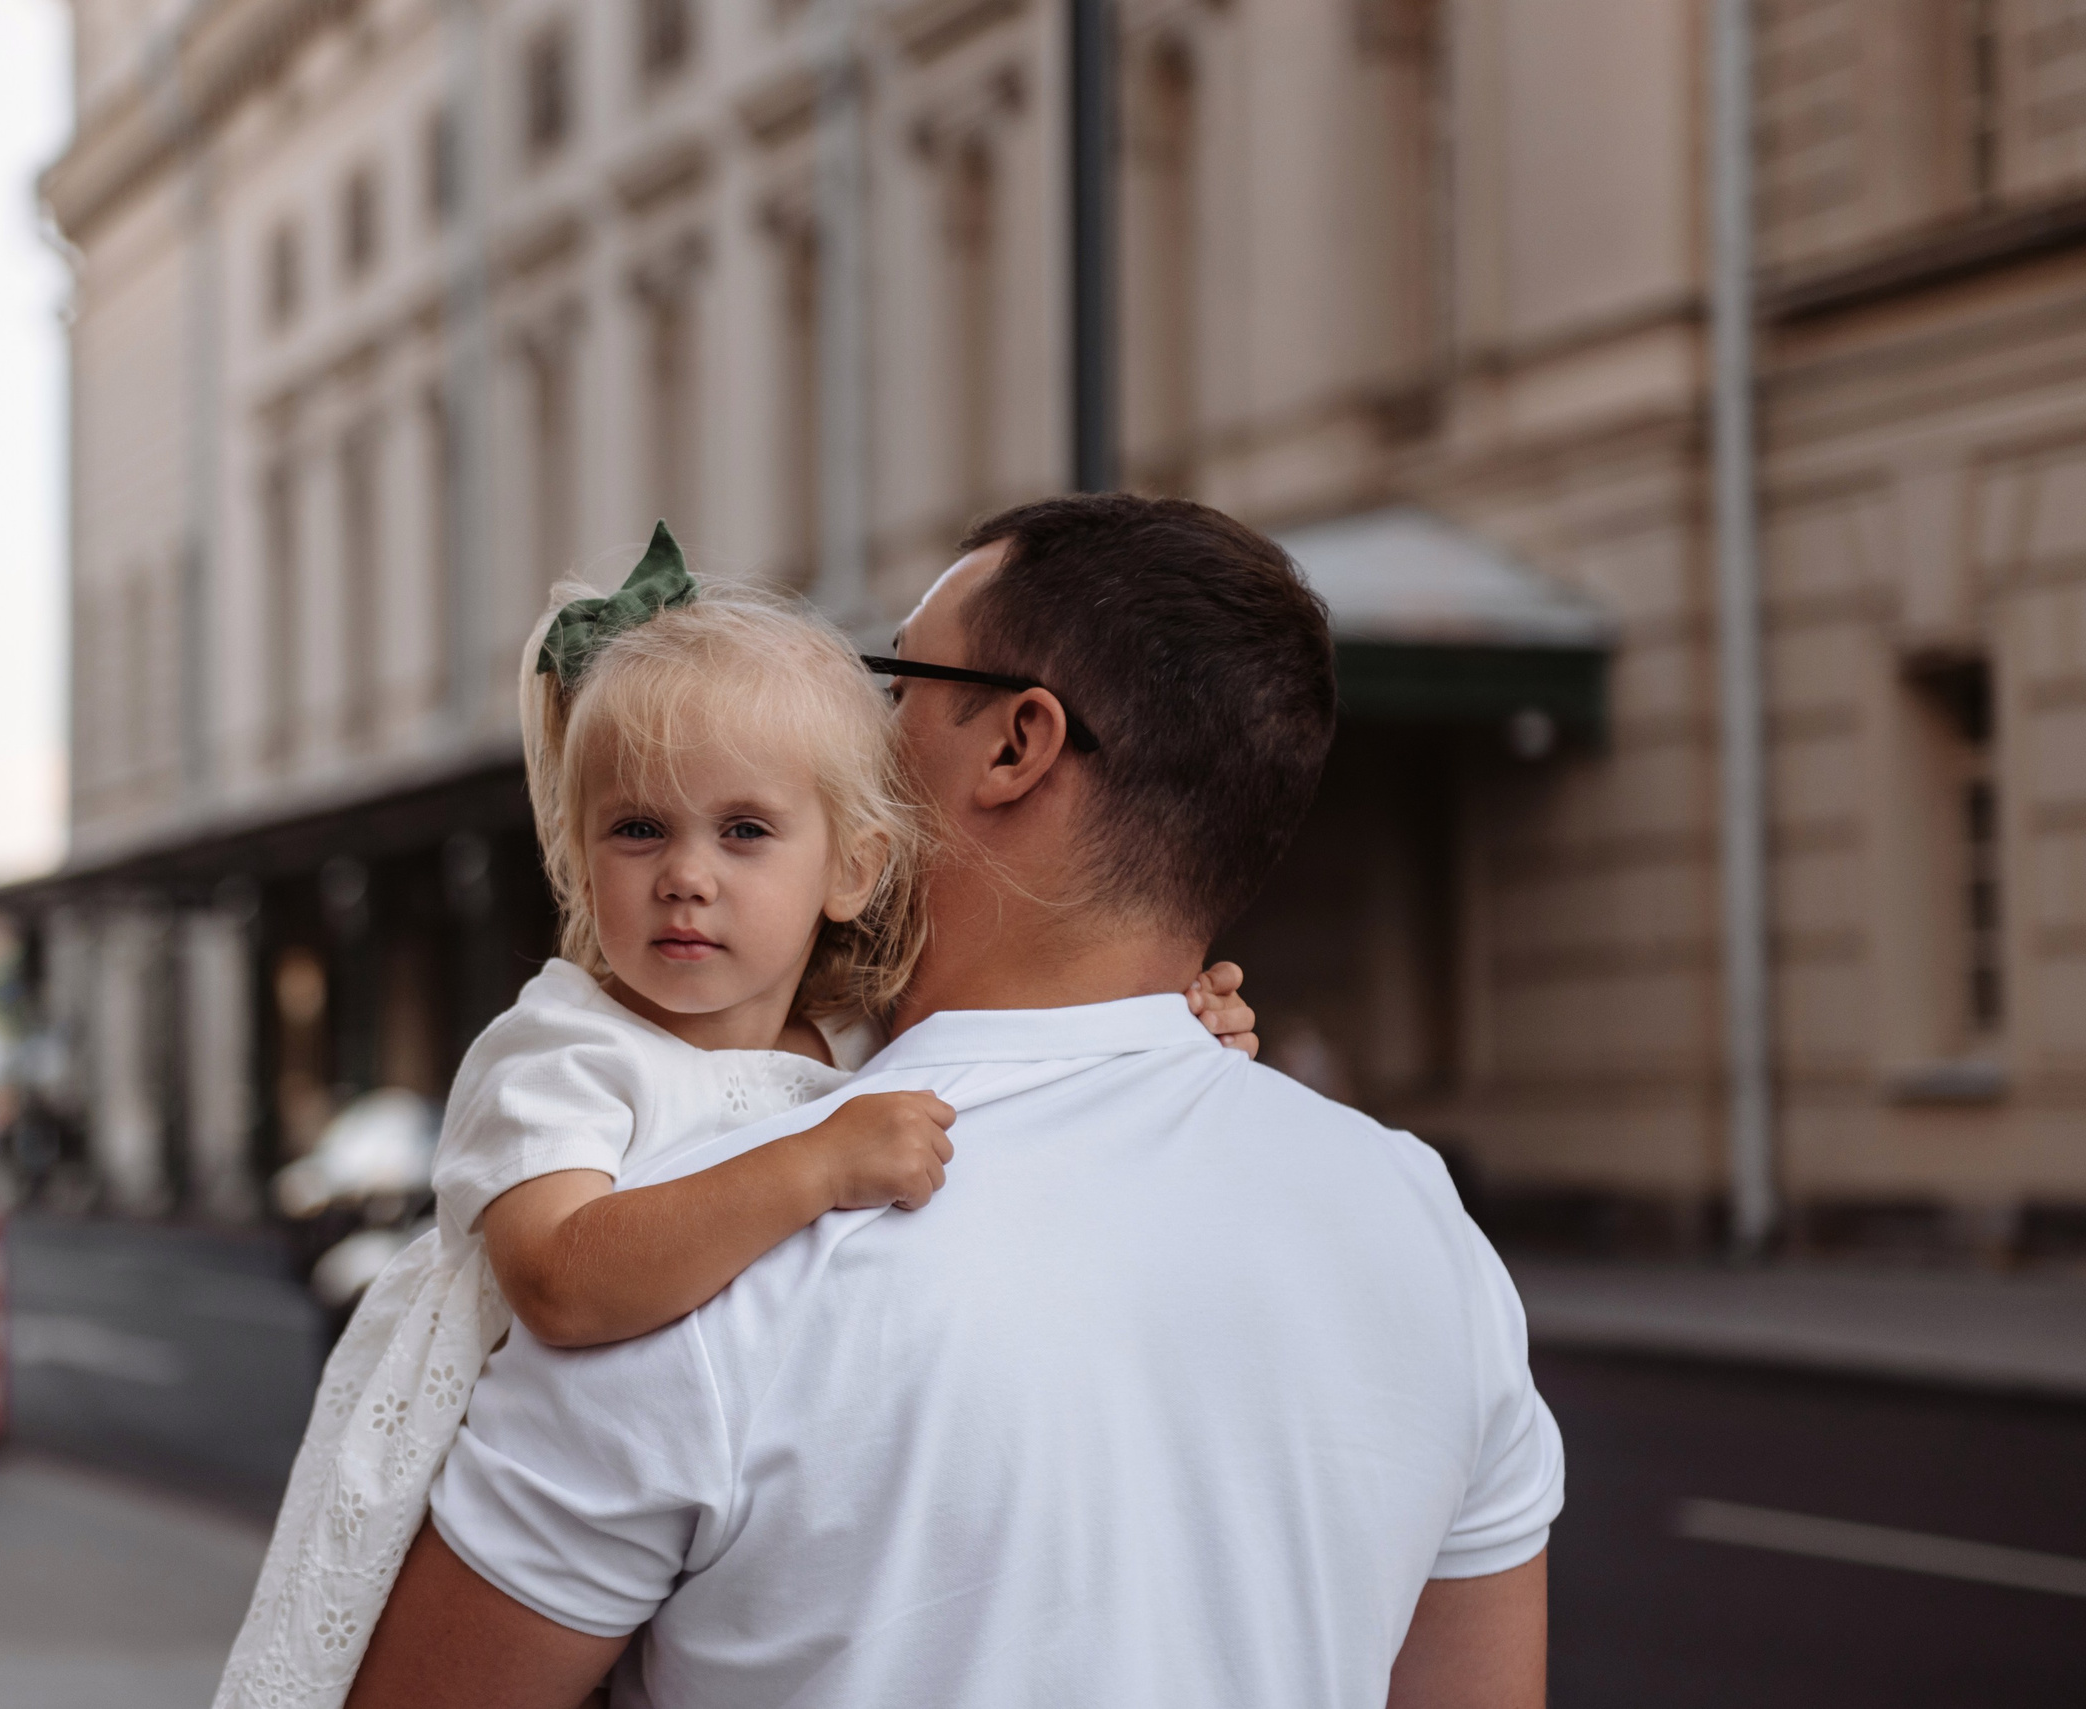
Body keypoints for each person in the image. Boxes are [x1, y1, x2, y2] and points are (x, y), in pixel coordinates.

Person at [345, 494, 1563, 1709]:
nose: (863, 732)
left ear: (1016, 745)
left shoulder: (710, 1246)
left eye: (896, 685)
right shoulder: (1427, 1232)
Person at [214, 523, 1258, 1709]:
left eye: (745, 830)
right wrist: (809, 1167)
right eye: (637, 828)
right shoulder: (562, 1051)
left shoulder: (849, 1036)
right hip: (501, 1531)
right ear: (579, 855)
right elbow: (559, 1279)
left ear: (852, 869)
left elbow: (1026, 1047)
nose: (686, 874)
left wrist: (1180, 1016)